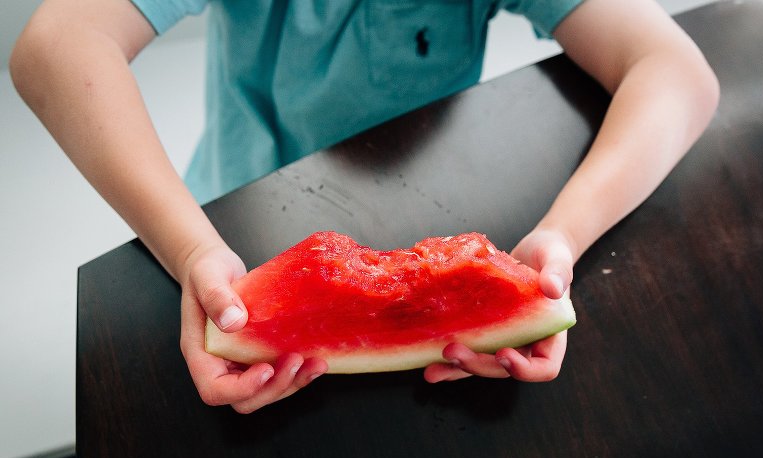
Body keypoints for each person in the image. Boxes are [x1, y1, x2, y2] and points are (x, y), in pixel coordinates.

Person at [11, 0, 719, 414]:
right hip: (232, 233)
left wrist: (562, 240)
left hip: (427, 211)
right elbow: (53, 46)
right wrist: (191, 249)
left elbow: (677, 75)